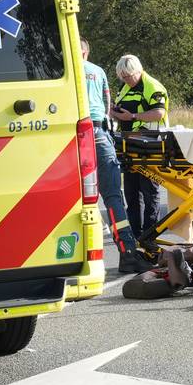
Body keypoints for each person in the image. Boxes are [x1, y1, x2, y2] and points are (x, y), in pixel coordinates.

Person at [80, 38, 152, 274]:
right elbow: (106, 105)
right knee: (112, 196)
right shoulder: (97, 71)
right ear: (86, 53)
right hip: (97, 132)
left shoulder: (59, 71)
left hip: (70, 136)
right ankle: (128, 253)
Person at [110, 54, 169, 239]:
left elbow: (159, 113)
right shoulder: (125, 87)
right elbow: (120, 108)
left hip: (150, 145)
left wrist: (133, 116)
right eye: (123, 77)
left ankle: (150, 235)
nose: (126, 80)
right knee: (132, 193)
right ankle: (135, 235)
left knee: (149, 191)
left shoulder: (152, 86)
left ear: (137, 70)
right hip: (129, 145)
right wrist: (113, 112)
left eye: (128, 76)